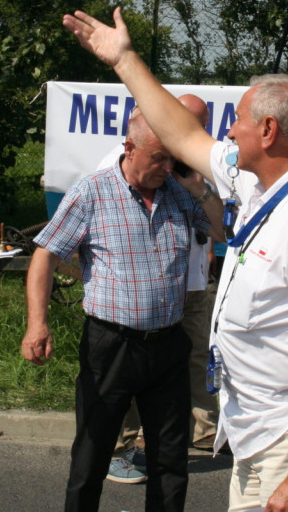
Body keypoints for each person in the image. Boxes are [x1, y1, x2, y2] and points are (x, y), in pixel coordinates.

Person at [63, 7, 288, 512]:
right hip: (257, 428)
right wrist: (123, 60)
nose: (228, 133)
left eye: (238, 122)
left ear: (269, 130)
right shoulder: (257, 181)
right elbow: (183, 134)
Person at [21, 110, 224, 512]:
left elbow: (218, 231)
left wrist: (198, 186)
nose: (165, 168)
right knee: (93, 455)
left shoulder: (177, 192)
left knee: (170, 460)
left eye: (172, 159)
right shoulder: (92, 192)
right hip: (111, 345)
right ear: (129, 148)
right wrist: (37, 324)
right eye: (157, 158)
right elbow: (45, 257)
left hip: (167, 344)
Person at [98, 97, 221, 485]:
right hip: (137, 293)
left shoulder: (201, 161)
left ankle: (191, 434)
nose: (195, 132)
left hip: (192, 283)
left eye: (202, 125)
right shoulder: (124, 159)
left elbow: (220, 224)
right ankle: (121, 445)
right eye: (189, 122)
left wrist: (200, 192)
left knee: (191, 359)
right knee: (132, 370)